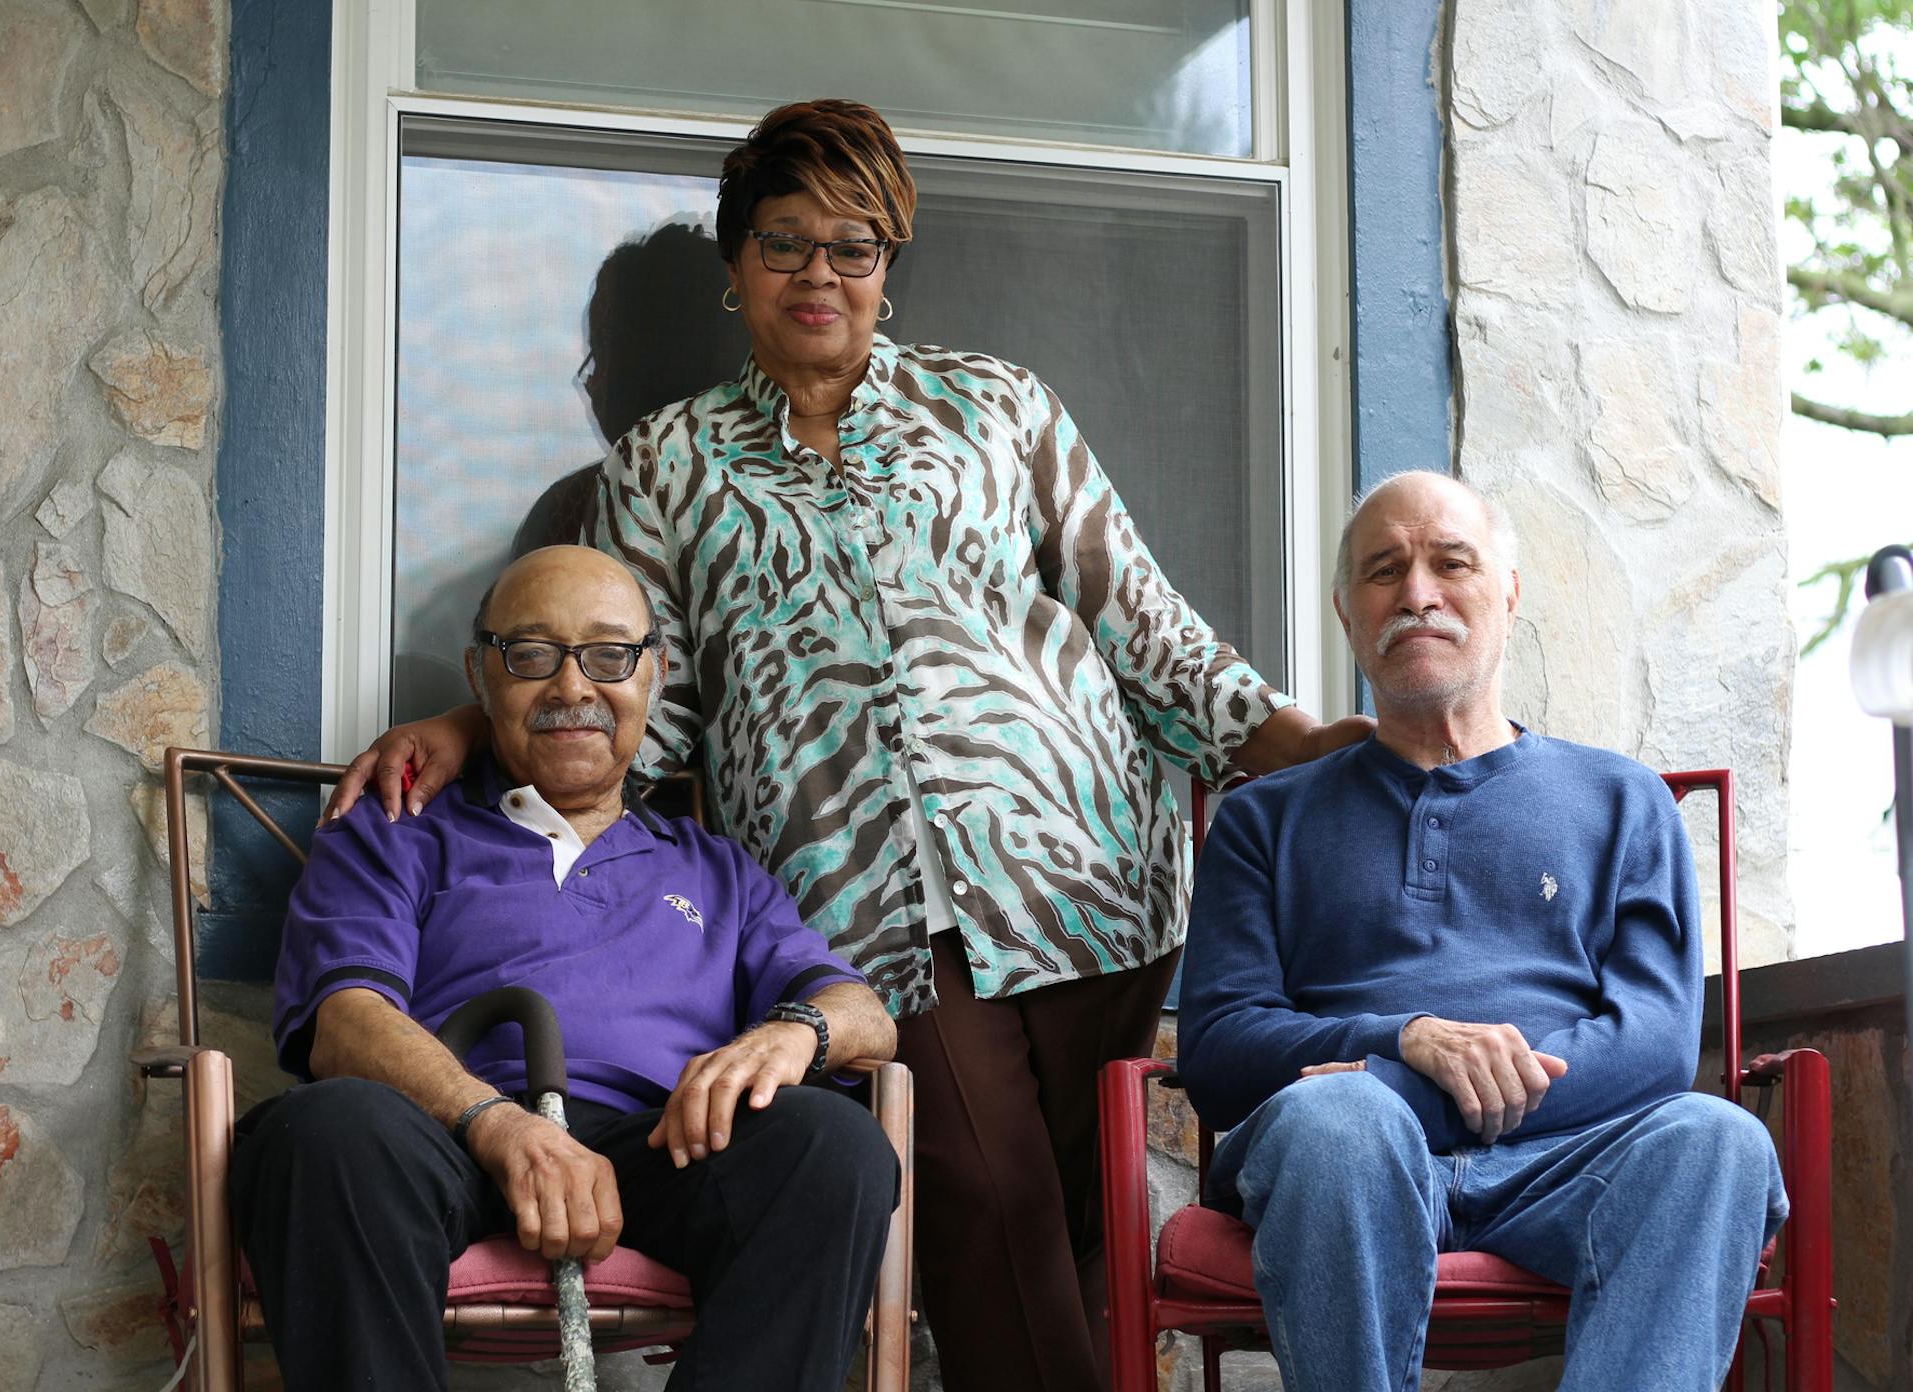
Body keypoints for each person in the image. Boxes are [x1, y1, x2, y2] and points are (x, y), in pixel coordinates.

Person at [328, 98, 1369, 1392]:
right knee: (989, 1213)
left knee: (1089, 1229)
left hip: (1089, 877)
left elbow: (1138, 619)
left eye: (853, 244)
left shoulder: (998, 408)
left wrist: (1303, 740)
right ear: (734, 268)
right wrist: (466, 724)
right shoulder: (666, 466)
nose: (818, 272)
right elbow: (631, 700)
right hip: (865, 909)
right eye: (783, 242)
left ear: (889, 260)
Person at [234, 545, 901, 1392]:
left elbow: (863, 1012)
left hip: (659, 1147)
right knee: (323, 1132)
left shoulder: (717, 871)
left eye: (609, 655)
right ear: (481, 677)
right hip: (446, 1135)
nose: (574, 688)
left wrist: (796, 1032)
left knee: (836, 1147)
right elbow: (344, 1020)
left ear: (653, 675)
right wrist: (503, 1128)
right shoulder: (395, 826)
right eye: (533, 655)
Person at [1174, 471, 1788, 1391]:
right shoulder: (1264, 820)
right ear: (1347, 612)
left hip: (1572, 1159)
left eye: (1449, 563)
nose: (1416, 593)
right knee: (1341, 1120)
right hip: (1343, 1160)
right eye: (1385, 571)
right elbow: (1220, 1053)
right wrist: (1404, 1044)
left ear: (1507, 592)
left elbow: (1657, 1047)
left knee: (1716, 1139)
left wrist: (1451, 1086)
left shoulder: (1624, 803)